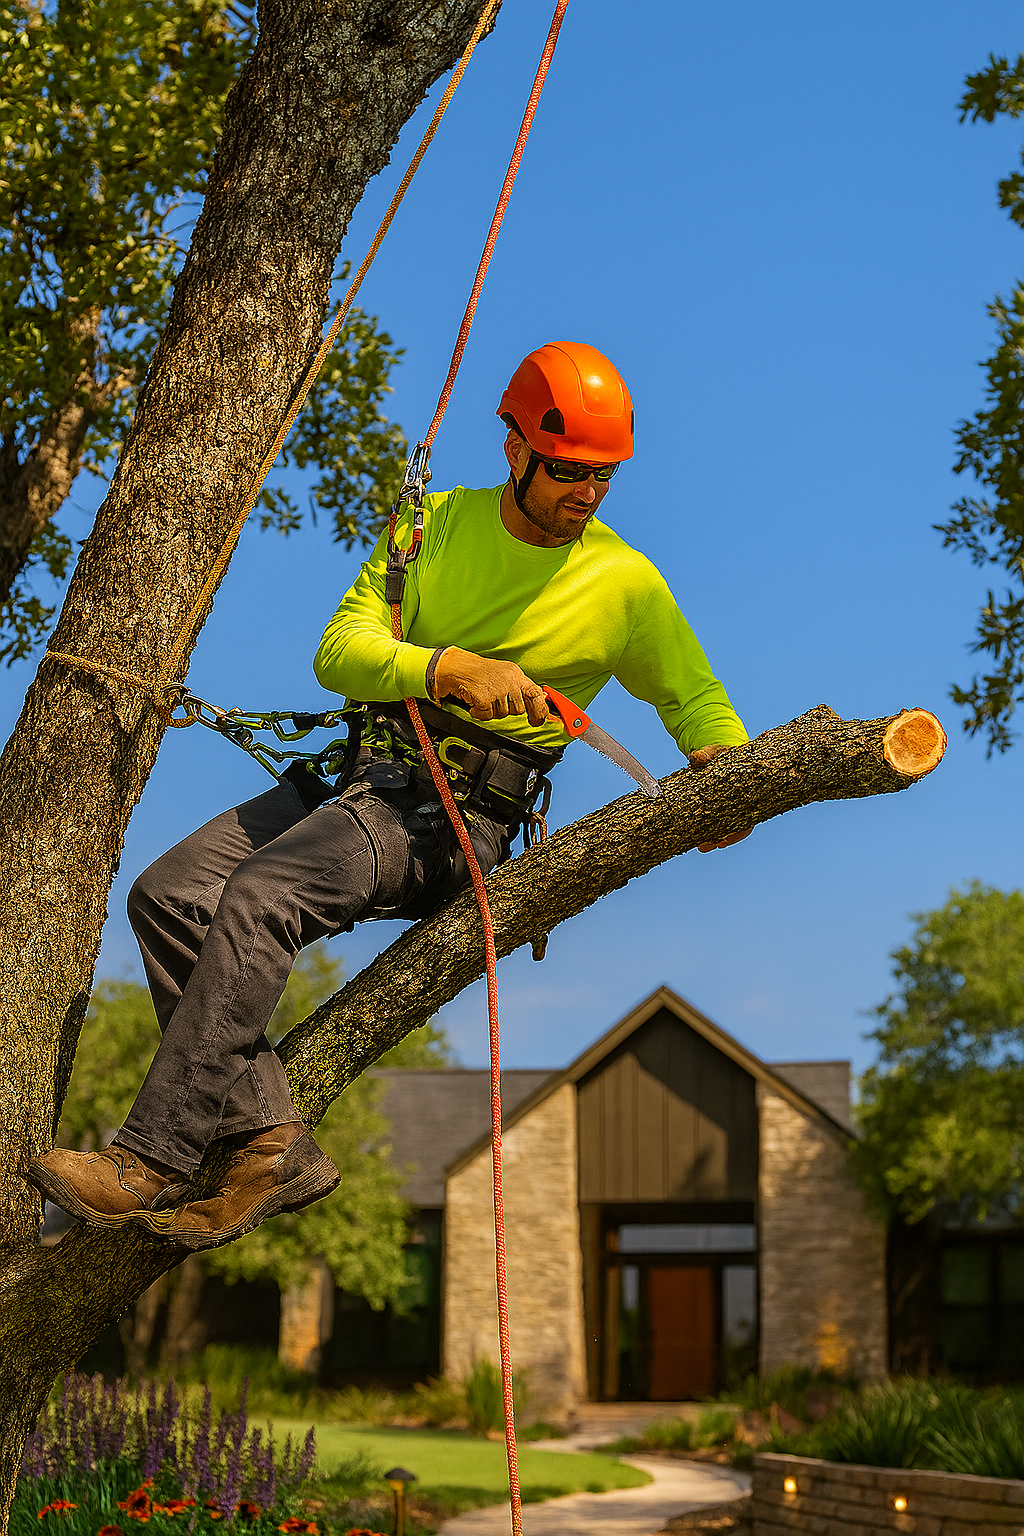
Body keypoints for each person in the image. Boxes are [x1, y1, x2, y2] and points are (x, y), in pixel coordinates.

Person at [27, 341, 750, 1251]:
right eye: (568, 470)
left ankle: (154, 1159)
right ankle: (268, 1140)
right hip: (360, 782)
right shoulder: (434, 524)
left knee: (262, 896)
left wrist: (729, 780)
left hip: (454, 818)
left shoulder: (626, 584)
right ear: (516, 451)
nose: (587, 492)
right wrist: (446, 667)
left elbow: (696, 699)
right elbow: (340, 650)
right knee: (170, 894)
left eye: (604, 476)